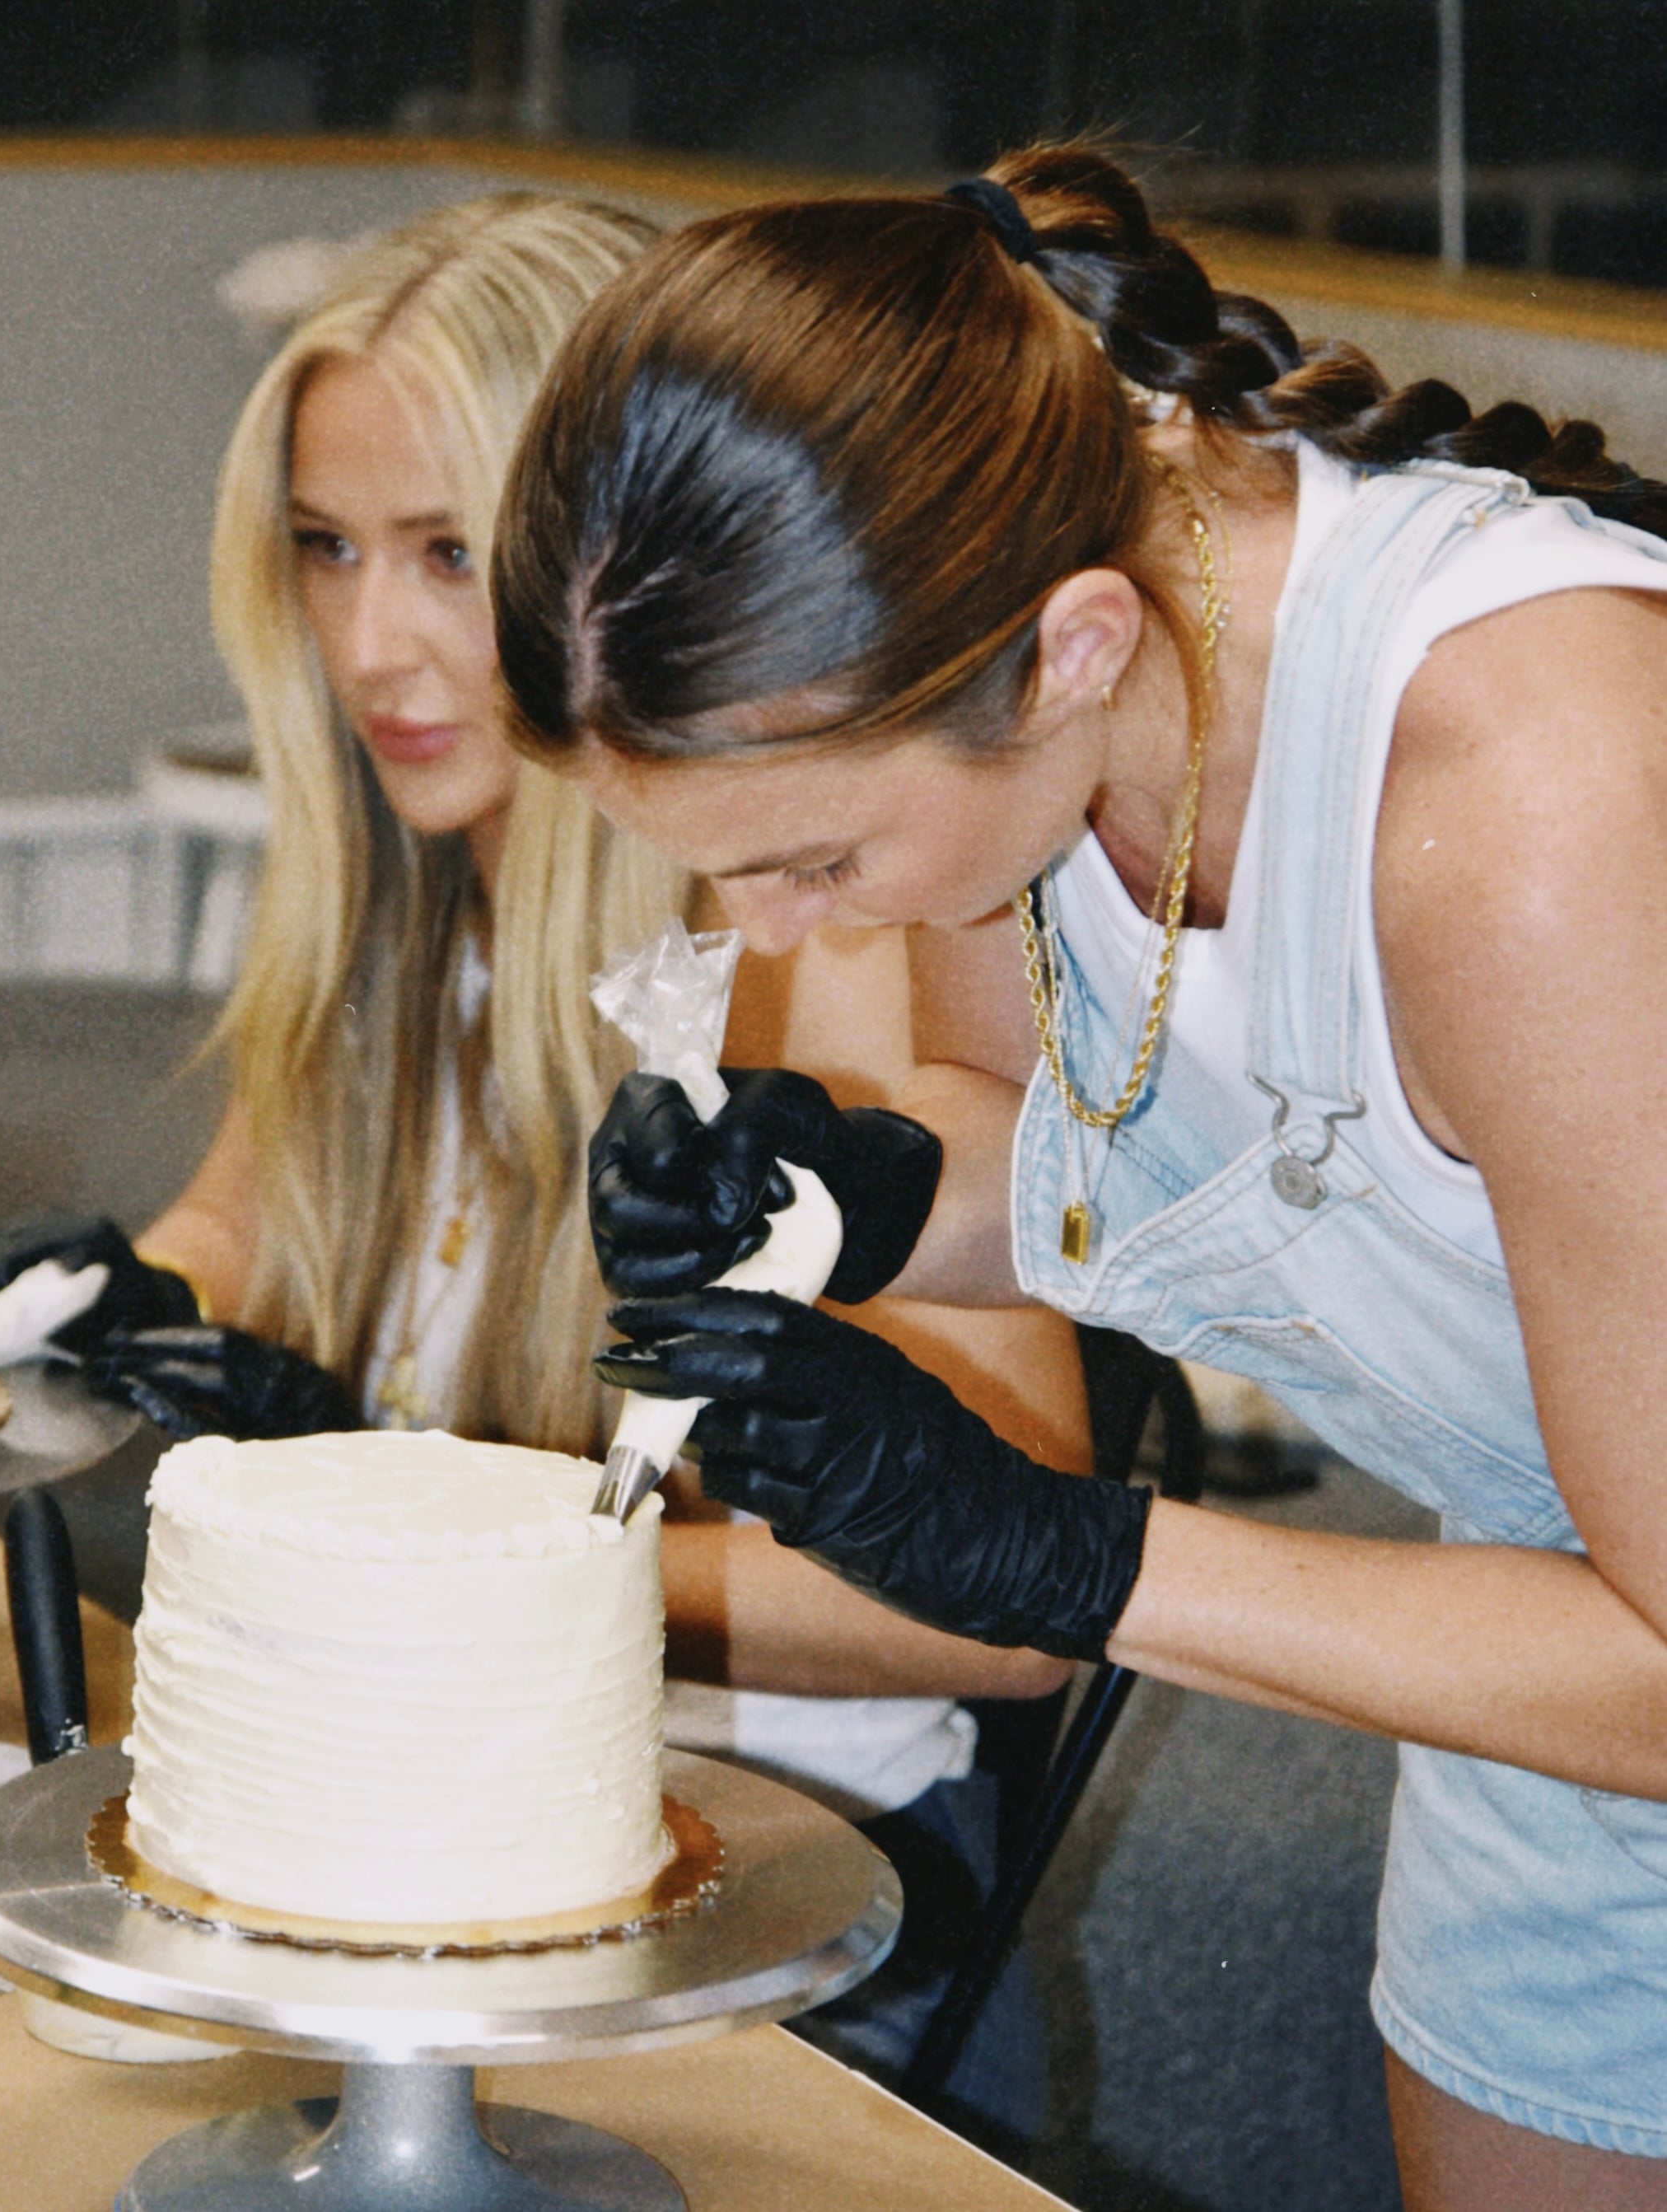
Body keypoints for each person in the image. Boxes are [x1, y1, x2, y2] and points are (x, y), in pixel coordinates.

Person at [489, 143, 1667, 2208]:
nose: (765, 923)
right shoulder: (1021, 730)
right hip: (1537, 1679)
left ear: (1073, 646)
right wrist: (839, 1189)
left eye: (813, 862)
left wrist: (1067, 1559)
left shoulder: (1533, 807)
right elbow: (1062, 1147)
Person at [0, 191, 1086, 2136]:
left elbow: (1001, 1604)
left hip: (779, 1901)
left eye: (443, 554)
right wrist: (139, 1306)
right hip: (426, 1843)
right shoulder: (400, 894)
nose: (372, 642)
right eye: (323, 549)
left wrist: (485, 1534)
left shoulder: (818, 953)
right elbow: (239, 1216)